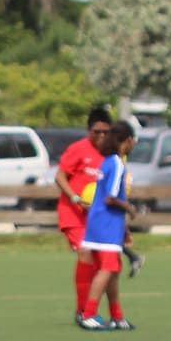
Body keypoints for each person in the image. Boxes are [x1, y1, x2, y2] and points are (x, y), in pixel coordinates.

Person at [55, 107, 118, 320]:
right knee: (85, 252)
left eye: (105, 132)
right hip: (73, 214)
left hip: (97, 219)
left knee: (102, 264)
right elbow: (60, 177)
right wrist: (75, 198)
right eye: (96, 132)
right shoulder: (78, 149)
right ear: (88, 130)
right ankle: (82, 311)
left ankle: (100, 312)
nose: (101, 136)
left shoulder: (111, 155)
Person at [78, 121, 137, 330]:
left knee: (113, 270)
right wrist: (129, 208)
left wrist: (124, 229)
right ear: (128, 140)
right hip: (106, 224)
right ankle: (88, 314)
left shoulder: (106, 161)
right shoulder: (117, 164)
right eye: (133, 140)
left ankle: (116, 316)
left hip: (99, 223)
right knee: (108, 269)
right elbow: (111, 198)